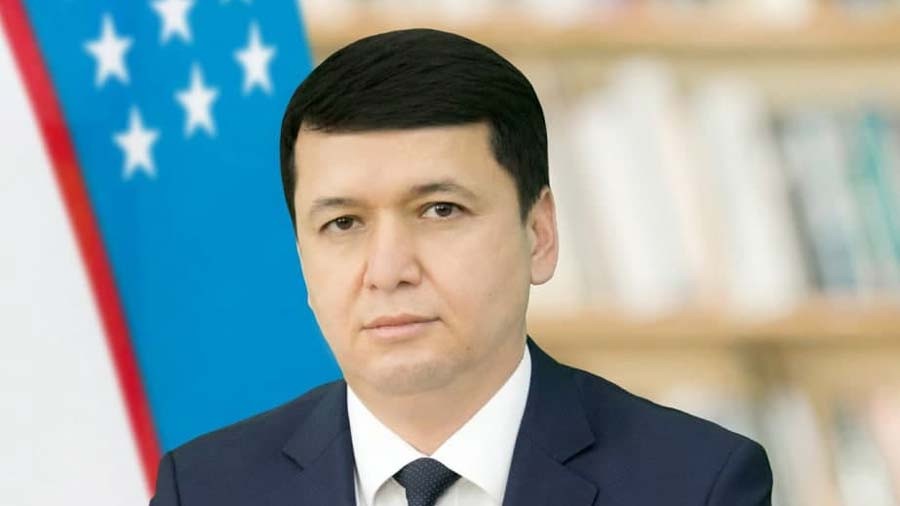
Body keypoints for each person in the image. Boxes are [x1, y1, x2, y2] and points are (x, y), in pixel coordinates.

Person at [150, 28, 773, 506]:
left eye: (440, 210)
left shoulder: (696, 484)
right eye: (343, 223)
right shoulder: (203, 489)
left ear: (540, 234)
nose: (387, 271)